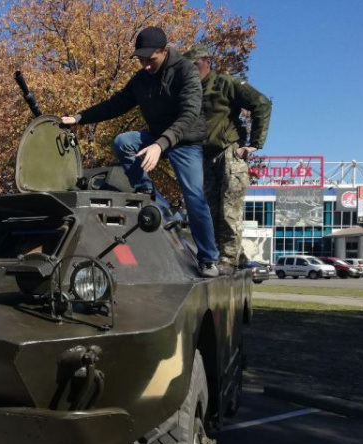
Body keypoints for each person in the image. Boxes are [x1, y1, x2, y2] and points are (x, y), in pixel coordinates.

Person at [61, 26, 219, 278]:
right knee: (124, 141)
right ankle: (148, 193)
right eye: (142, 60)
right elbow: (116, 104)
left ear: (164, 51)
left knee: (195, 197)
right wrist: (80, 117)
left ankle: (209, 258)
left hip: (185, 140)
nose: (146, 65)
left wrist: (160, 144)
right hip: (156, 136)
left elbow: (189, 114)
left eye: (151, 60)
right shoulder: (141, 79)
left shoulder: (185, 72)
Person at [184, 45, 272, 273]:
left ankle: (228, 260)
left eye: (195, 65)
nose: (192, 71)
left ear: (206, 62)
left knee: (228, 210)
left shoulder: (226, 83)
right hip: (206, 156)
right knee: (209, 212)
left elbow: (261, 103)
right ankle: (230, 255)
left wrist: (254, 144)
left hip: (229, 153)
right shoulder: (190, 91)